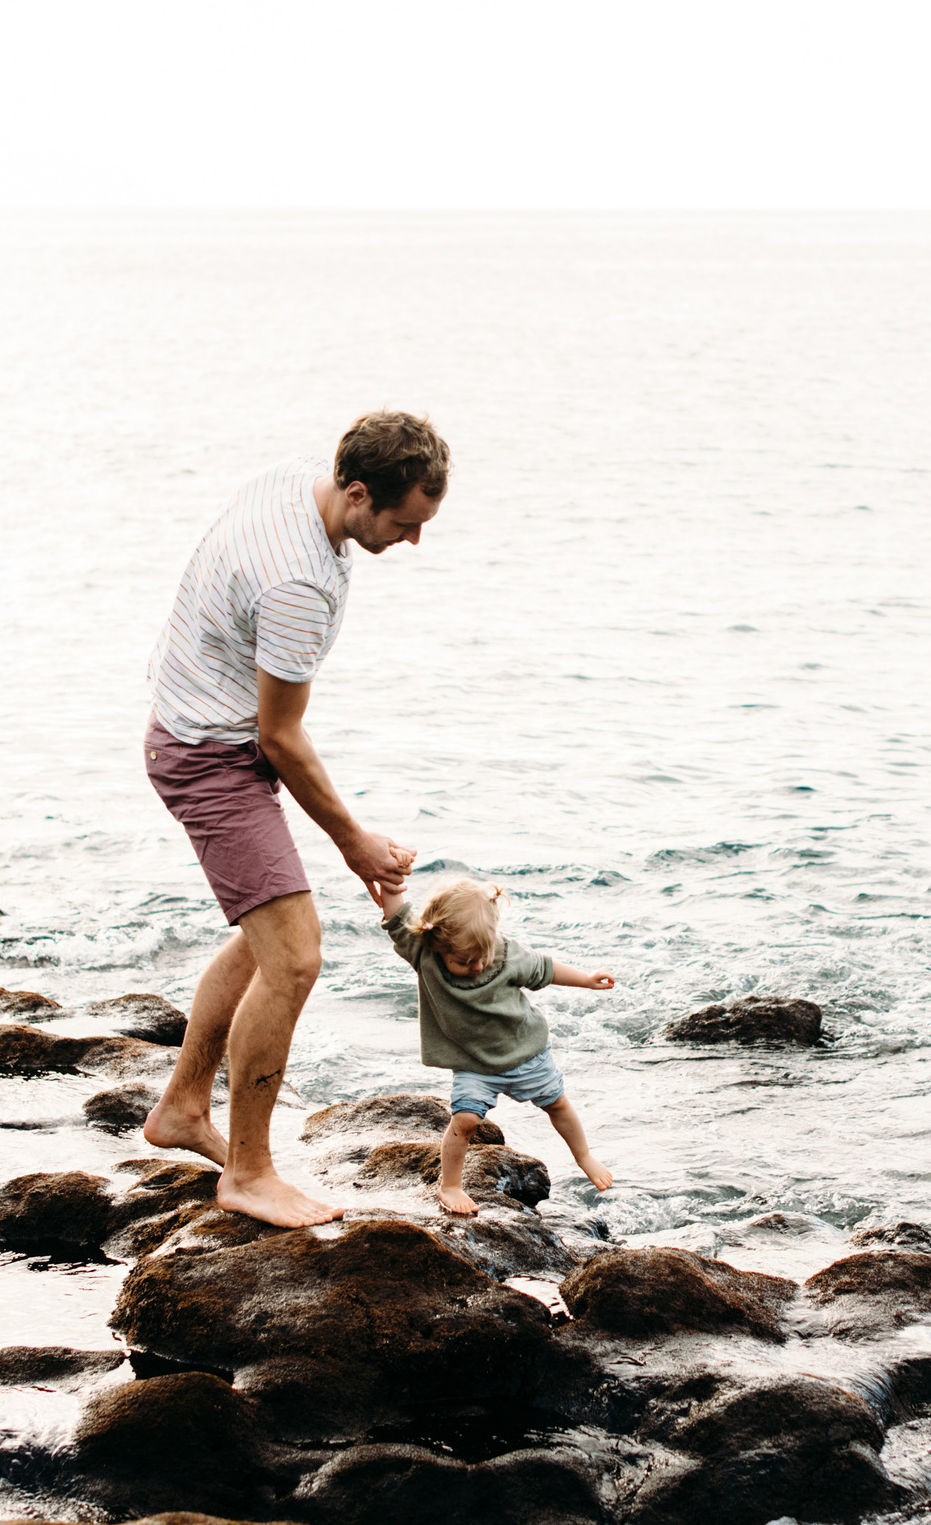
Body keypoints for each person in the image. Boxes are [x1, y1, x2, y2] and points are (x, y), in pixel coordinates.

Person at [139, 412, 447, 1228]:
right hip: (213, 754)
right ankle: (247, 1171)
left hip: (198, 724)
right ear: (356, 491)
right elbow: (280, 736)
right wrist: (357, 843)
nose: (412, 541)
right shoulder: (299, 585)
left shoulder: (290, 479)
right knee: (297, 960)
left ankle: (181, 1110)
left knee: (267, 936)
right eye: (403, 522)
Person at [369, 874, 616, 1215]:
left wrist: (586, 980)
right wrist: (392, 888)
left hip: (526, 1052)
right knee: (465, 1120)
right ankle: (451, 1186)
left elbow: (545, 969)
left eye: (483, 955)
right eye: (465, 961)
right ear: (437, 944)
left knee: (557, 1104)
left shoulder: (506, 954)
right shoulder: (425, 954)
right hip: (475, 1065)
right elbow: (398, 922)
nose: (478, 965)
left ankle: (584, 1156)